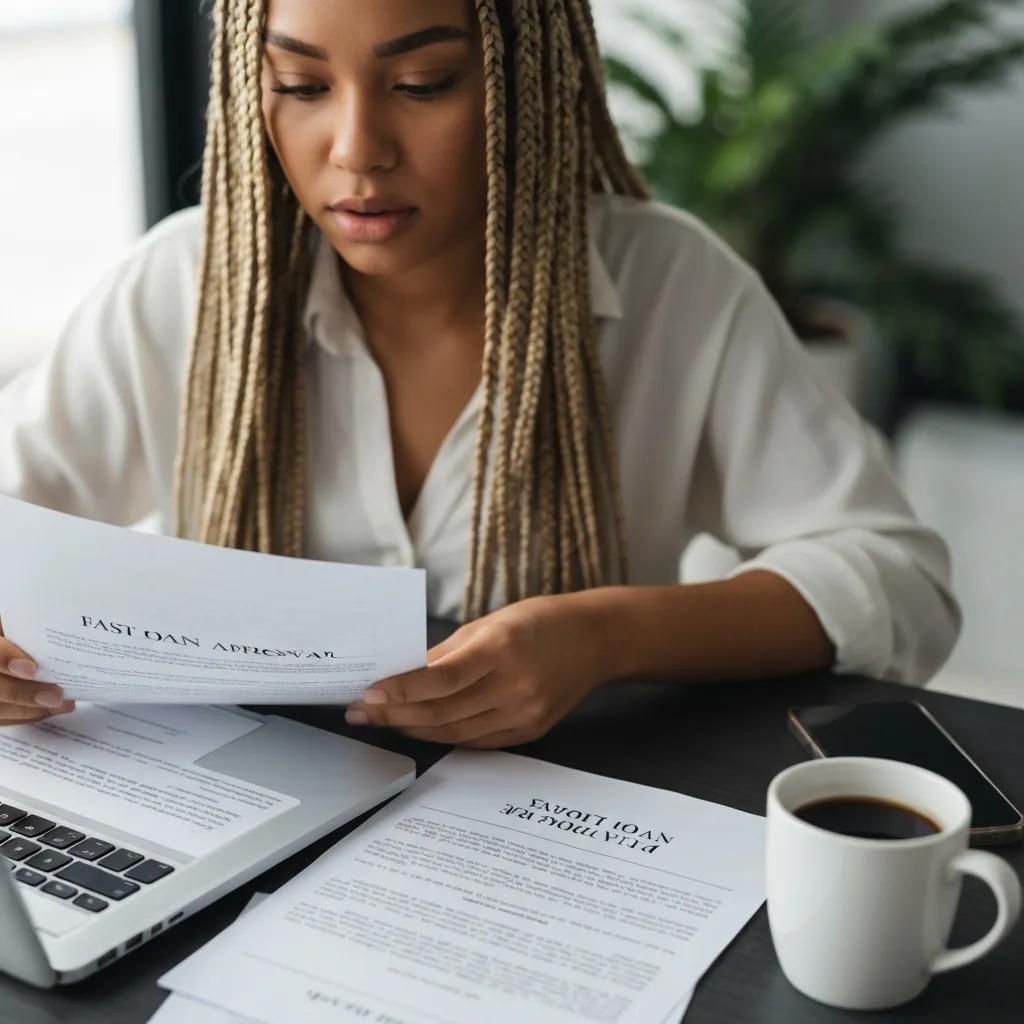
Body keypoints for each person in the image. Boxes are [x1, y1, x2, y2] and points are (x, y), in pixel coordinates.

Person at [0, 0, 959, 745]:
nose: (357, 150)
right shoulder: (188, 284)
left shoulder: (672, 286)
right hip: (228, 818)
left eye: (422, 82)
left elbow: (897, 581)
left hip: (553, 837)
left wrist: (608, 637)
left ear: (524, 80)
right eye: (299, 85)